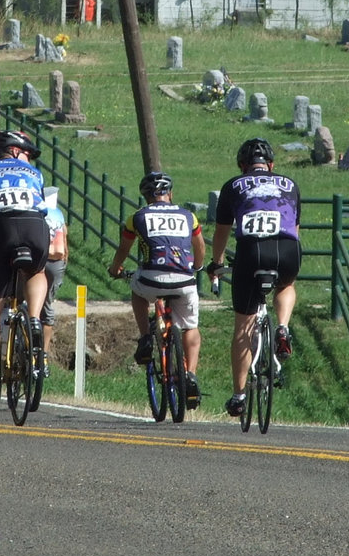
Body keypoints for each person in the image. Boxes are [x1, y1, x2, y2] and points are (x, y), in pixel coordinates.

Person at [207, 138, 302, 418]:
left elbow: (221, 232)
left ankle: (238, 396)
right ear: (271, 166)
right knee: (286, 284)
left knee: (243, 326)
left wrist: (217, 263)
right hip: (287, 250)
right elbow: (295, 229)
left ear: (242, 166)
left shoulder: (233, 186)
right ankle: (282, 327)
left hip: (251, 253)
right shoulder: (290, 184)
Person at [108, 171, 205, 407]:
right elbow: (199, 246)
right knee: (190, 327)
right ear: (170, 194)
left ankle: (144, 338)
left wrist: (115, 268)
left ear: (145, 196)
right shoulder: (189, 216)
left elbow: (124, 248)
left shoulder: (136, 217)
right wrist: (198, 266)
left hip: (151, 278)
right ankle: (190, 374)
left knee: (137, 292)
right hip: (184, 280)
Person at [0, 130, 50, 407]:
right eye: (26, 152)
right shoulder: (34, 173)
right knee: (37, 272)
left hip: (2, 228)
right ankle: (33, 317)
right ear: (17, 152)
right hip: (35, 226)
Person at [40, 185, 68, 374]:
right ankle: (44, 355)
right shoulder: (58, 214)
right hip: (56, 262)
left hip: (38, 259)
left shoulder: (36, 211)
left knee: (17, 297)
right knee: (48, 305)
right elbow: (65, 246)